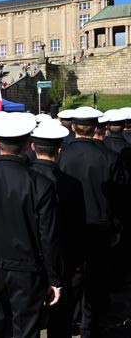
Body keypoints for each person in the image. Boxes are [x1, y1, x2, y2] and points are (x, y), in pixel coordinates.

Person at [0, 112, 61, 338]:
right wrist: (54, 277)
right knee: (26, 329)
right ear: (28, 145)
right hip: (25, 269)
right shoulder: (41, 184)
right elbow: (48, 236)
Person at [57, 106, 126, 337]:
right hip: (99, 228)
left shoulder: (62, 155)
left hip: (70, 229)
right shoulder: (109, 156)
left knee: (70, 284)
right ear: (97, 128)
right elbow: (118, 199)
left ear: (74, 127)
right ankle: (89, 330)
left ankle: (66, 327)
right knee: (94, 287)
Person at [29, 121, 86, 338]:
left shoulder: (23, 178)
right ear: (59, 150)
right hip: (64, 260)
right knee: (60, 320)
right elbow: (78, 227)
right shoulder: (72, 184)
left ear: (33, 147)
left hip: (27, 257)